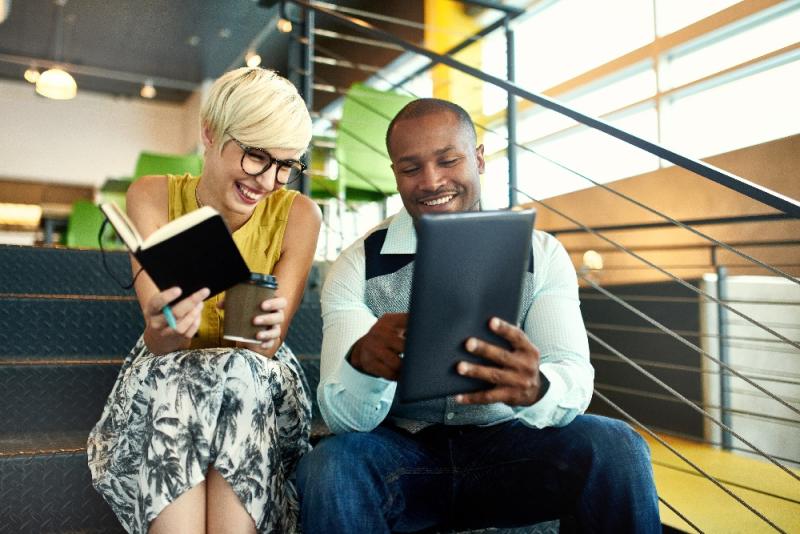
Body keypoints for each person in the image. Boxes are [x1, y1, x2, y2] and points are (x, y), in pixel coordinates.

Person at [296, 98, 660, 533]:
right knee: (331, 465)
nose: (431, 181)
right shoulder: (357, 265)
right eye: (411, 169)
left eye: (448, 160)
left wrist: (538, 388)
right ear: (395, 175)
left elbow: (574, 377)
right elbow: (342, 419)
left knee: (618, 447)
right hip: (403, 455)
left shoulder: (540, 254)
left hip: (510, 446)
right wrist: (362, 367)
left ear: (480, 159)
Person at [87, 67, 321, 534]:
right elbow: (161, 343)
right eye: (257, 157)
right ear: (210, 133)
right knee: (183, 378)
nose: (269, 181)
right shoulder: (152, 195)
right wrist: (164, 325)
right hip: (170, 372)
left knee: (239, 371)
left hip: (256, 379)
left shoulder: (299, 214)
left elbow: (265, 351)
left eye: (286, 166)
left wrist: (267, 328)